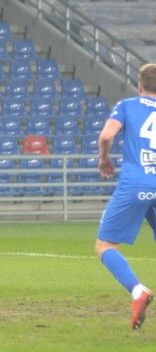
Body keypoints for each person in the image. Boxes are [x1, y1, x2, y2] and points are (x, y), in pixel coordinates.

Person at [95, 63, 156, 329]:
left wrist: (103, 158)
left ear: (140, 85)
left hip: (136, 183)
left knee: (105, 246)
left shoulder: (128, 105)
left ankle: (137, 290)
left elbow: (107, 135)